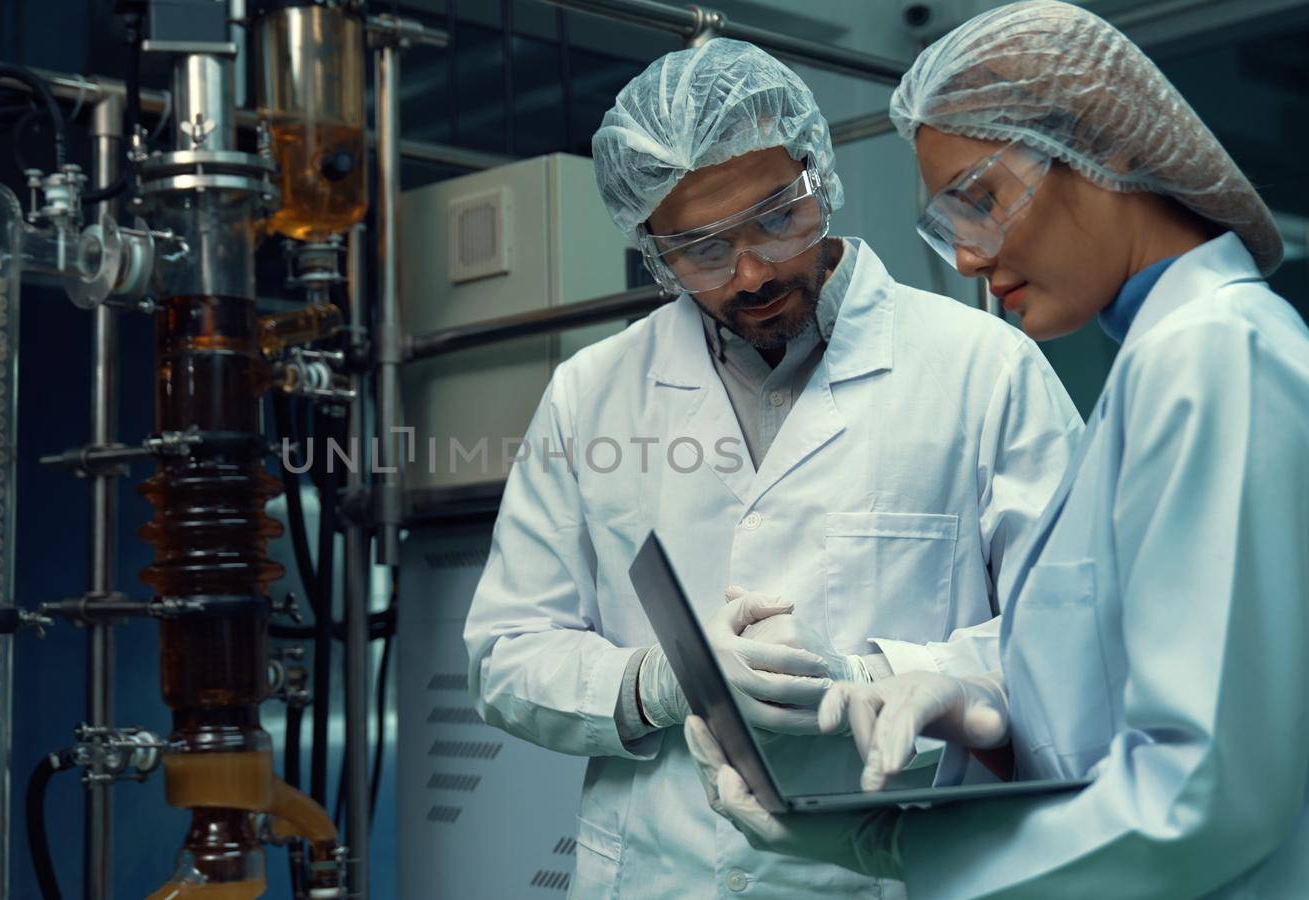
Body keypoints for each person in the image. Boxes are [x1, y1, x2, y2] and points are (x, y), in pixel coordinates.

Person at [685, 3, 1309, 897]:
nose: (968, 258)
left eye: (980, 198)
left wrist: (901, 849)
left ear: (1111, 147)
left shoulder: (1216, 354)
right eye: (948, 222)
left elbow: (1203, 793)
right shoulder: (1161, 365)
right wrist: (982, 701)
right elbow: (1121, 673)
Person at [464, 38, 1082, 898]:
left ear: (816, 176)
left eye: (775, 219)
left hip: (893, 870)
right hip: (658, 873)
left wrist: (872, 677)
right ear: (651, 249)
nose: (751, 271)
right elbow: (505, 653)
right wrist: (658, 684)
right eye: (702, 250)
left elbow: (1073, 639)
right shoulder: (590, 394)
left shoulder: (984, 372)